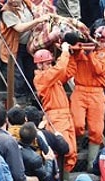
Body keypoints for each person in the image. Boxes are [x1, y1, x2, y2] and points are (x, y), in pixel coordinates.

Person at [68, 26, 105, 170]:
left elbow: (99, 69)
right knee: (77, 124)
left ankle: (90, 163)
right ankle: (74, 151)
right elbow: (72, 57)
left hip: (96, 93)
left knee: (97, 129)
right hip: (80, 89)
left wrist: (90, 54)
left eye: (103, 40)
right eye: (98, 39)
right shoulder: (82, 49)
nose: (100, 43)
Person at [0, 0, 47, 104]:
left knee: (31, 73)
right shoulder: (6, 11)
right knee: (18, 78)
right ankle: (20, 103)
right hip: (13, 47)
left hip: (28, 46)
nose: (13, 0)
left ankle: (33, 101)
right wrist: (38, 21)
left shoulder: (27, 3)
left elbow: (38, 10)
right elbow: (19, 28)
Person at [33, 44, 77, 173]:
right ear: (39, 65)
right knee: (63, 149)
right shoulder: (41, 78)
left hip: (65, 116)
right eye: (47, 63)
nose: (50, 65)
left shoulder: (51, 76)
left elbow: (68, 71)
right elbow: (60, 69)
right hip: (55, 117)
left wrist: (74, 55)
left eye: (50, 63)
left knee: (72, 153)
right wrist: (64, 52)